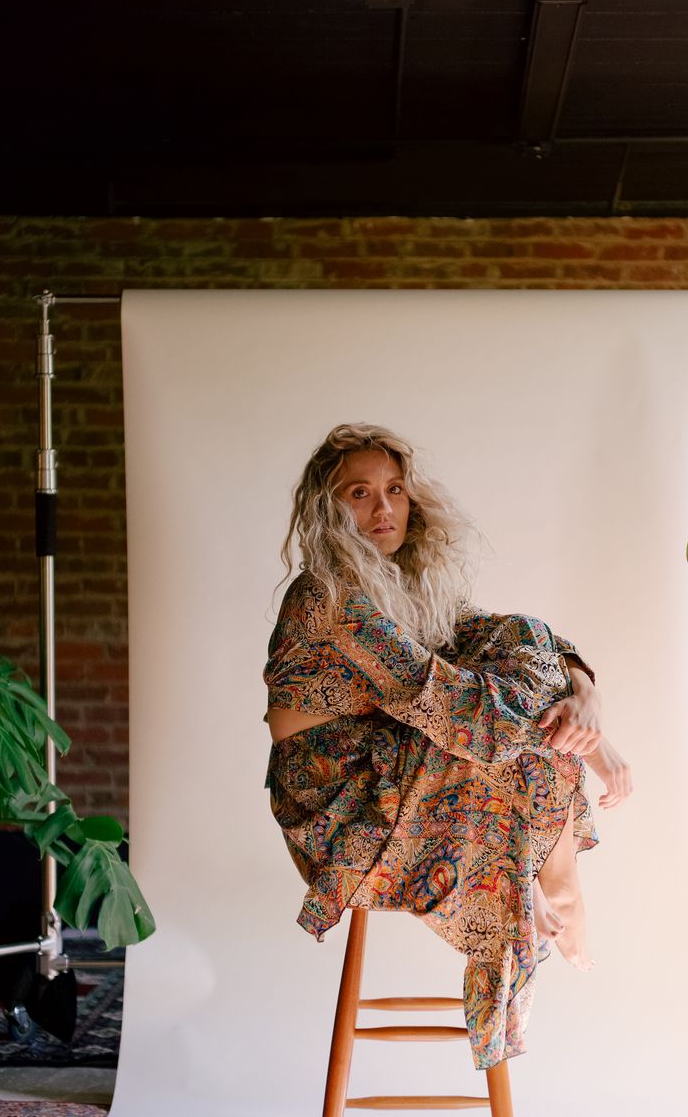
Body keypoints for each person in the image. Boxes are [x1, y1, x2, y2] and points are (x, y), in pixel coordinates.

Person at [264, 423, 632, 1070]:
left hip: (392, 763)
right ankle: (548, 881)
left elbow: (522, 635)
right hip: (336, 801)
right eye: (359, 492)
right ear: (329, 509)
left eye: (395, 490)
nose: (383, 509)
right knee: (510, 744)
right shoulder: (330, 596)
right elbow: (453, 710)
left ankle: (535, 877)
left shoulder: (402, 583)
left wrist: (586, 698)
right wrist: (590, 749)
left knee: (508, 649)